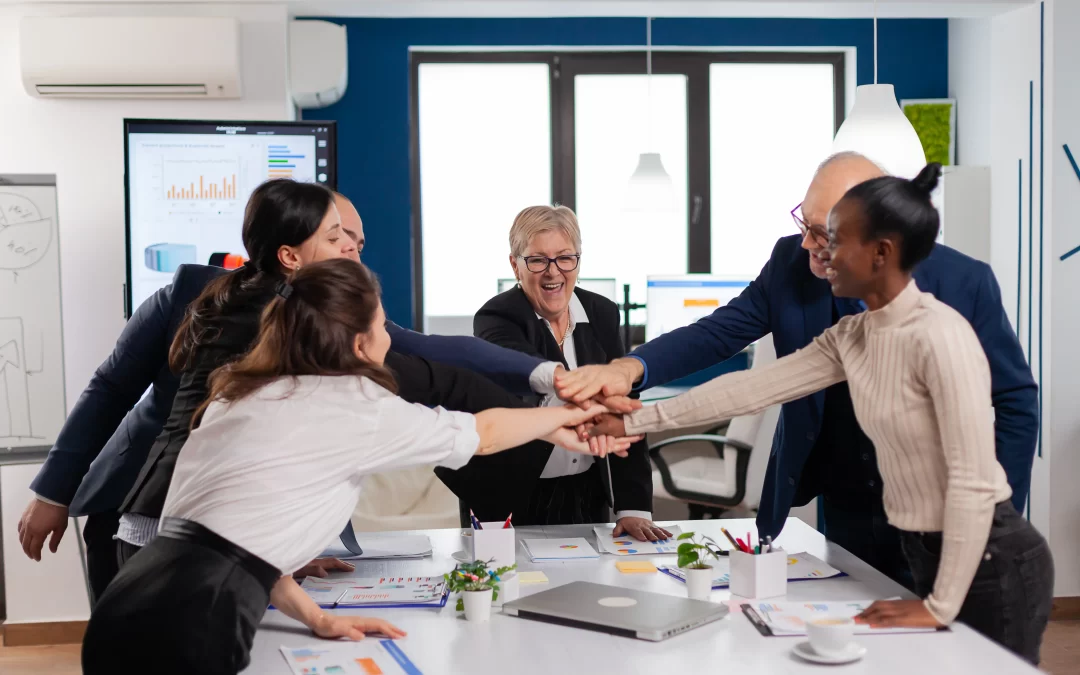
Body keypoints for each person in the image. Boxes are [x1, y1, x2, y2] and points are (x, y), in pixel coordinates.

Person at [588, 164, 1053, 663]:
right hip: (902, 534)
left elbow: (970, 480)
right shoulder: (854, 335)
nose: (813, 248)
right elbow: (753, 387)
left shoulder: (940, 332)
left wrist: (939, 606)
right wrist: (629, 421)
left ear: (882, 250)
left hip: (987, 556)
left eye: (831, 236)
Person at [17, 185, 572, 602]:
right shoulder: (196, 294)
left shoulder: (332, 320)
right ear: (291, 251)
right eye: (339, 238)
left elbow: (444, 356)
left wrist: (546, 376)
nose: (354, 253)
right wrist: (53, 491)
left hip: (235, 536)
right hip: (140, 508)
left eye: (357, 243)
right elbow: (110, 389)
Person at [82, 258, 631, 675]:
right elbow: (482, 435)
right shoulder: (350, 406)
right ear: (359, 341)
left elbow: (237, 542)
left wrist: (318, 619)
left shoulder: (240, 390)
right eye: (383, 324)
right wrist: (562, 417)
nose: (391, 336)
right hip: (193, 622)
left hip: (128, 600)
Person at [440, 205, 665, 540]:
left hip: (585, 488)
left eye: (564, 257)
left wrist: (632, 508)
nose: (553, 272)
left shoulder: (601, 313)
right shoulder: (495, 317)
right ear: (515, 265)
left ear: (577, 261)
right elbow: (529, 373)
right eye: (537, 259)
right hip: (511, 489)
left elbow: (625, 408)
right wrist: (596, 392)